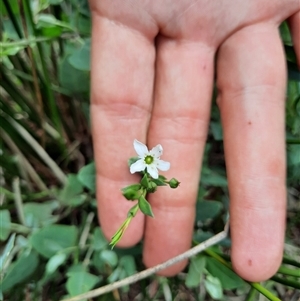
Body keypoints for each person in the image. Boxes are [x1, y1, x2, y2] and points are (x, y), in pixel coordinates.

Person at [88, 0, 300, 282]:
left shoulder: (149, 162)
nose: (148, 159)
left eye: (149, 158)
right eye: (147, 159)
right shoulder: (146, 162)